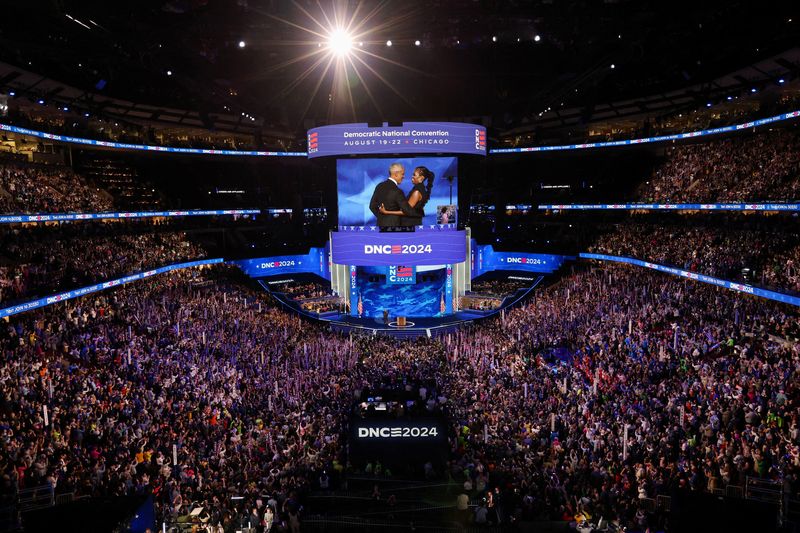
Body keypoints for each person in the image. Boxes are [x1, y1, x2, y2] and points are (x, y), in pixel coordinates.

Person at [368, 163, 416, 228]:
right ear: (396, 174)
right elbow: (407, 211)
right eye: (402, 174)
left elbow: (372, 206)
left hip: (381, 227)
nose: (403, 176)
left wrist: (382, 217)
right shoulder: (398, 191)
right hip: (395, 228)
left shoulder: (379, 186)